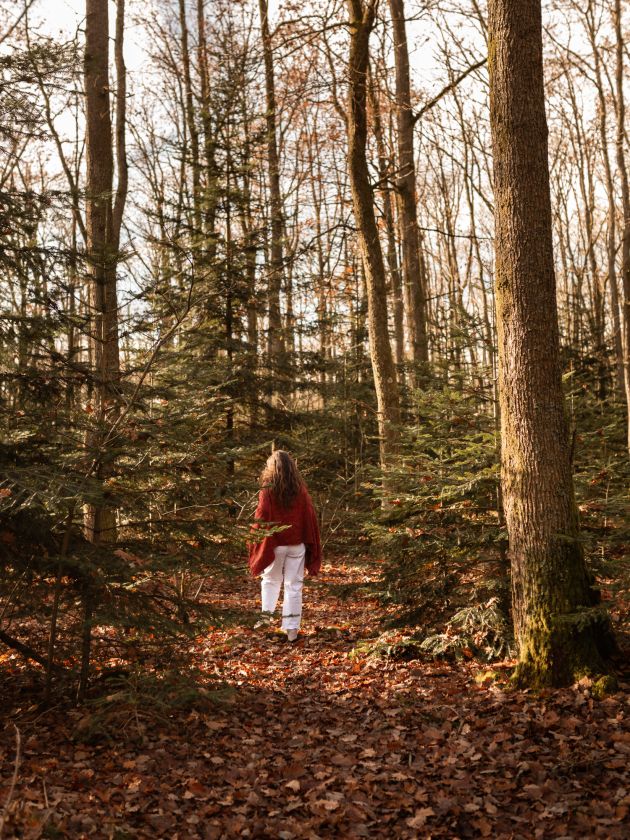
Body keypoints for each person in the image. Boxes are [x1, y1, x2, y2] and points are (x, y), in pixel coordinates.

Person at [248, 450, 322, 641]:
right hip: (296, 544)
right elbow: (309, 515)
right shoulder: (300, 489)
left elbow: (262, 514)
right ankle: (291, 630)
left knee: (270, 581)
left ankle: (266, 617)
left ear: (271, 467)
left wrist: (255, 535)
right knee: (293, 586)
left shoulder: (268, 488)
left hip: (275, 544)